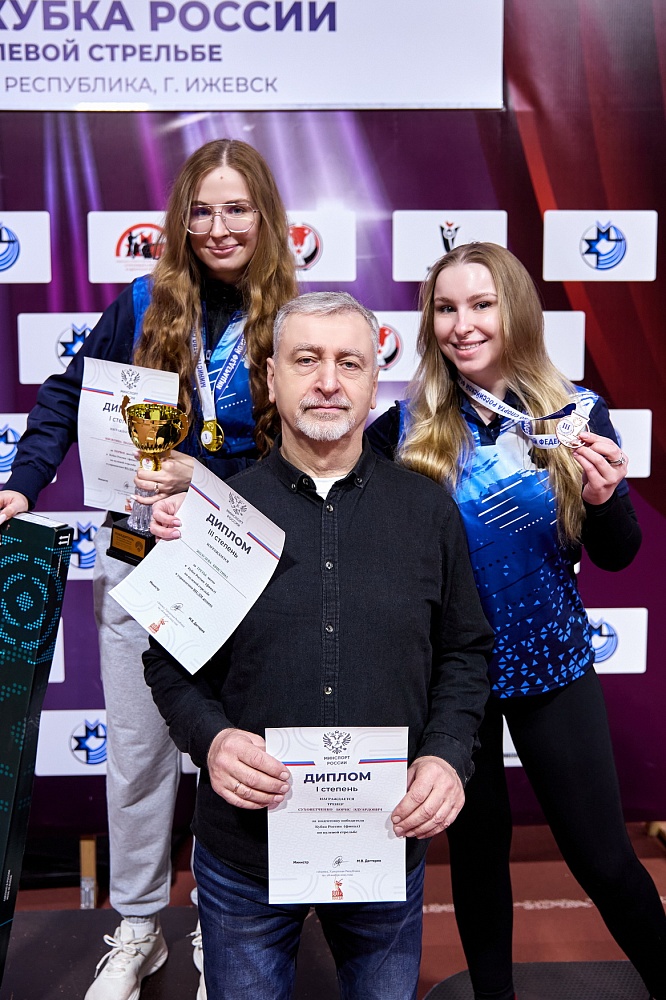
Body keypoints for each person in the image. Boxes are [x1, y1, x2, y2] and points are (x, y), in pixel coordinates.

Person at [0, 138, 297, 1000]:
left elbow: (320, 433)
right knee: (137, 755)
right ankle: (137, 926)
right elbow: (67, 395)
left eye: (236, 209)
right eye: (201, 210)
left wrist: (209, 482)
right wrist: (23, 484)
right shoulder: (142, 301)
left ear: (265, 216)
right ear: (180, 219)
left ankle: (220, 923)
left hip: (242, 564)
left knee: (233, 755)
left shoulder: (293, 315)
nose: (219, 227)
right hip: (138, 553)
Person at [143, 291, 494, 1000]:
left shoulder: (427, 511)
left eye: (349, 363)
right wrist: (211, 739)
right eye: (306, 360)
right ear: (271, 379)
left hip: (386, 841)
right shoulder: (217, 512)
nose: (328, 381)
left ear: (374, 382)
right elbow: (167, 661)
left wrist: (447, 755)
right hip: (244, 854)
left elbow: (466, 653)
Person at [366, 242, 666, 1000]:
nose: (462, 324)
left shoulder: (577, 413)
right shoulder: (401, 429)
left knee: (603, 858)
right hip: (453, 684)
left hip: (551, 664)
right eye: (445, 308)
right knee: (475, 857)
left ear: (517, 311)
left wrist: (605, 500)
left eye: (481, 304)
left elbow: (620, 555)